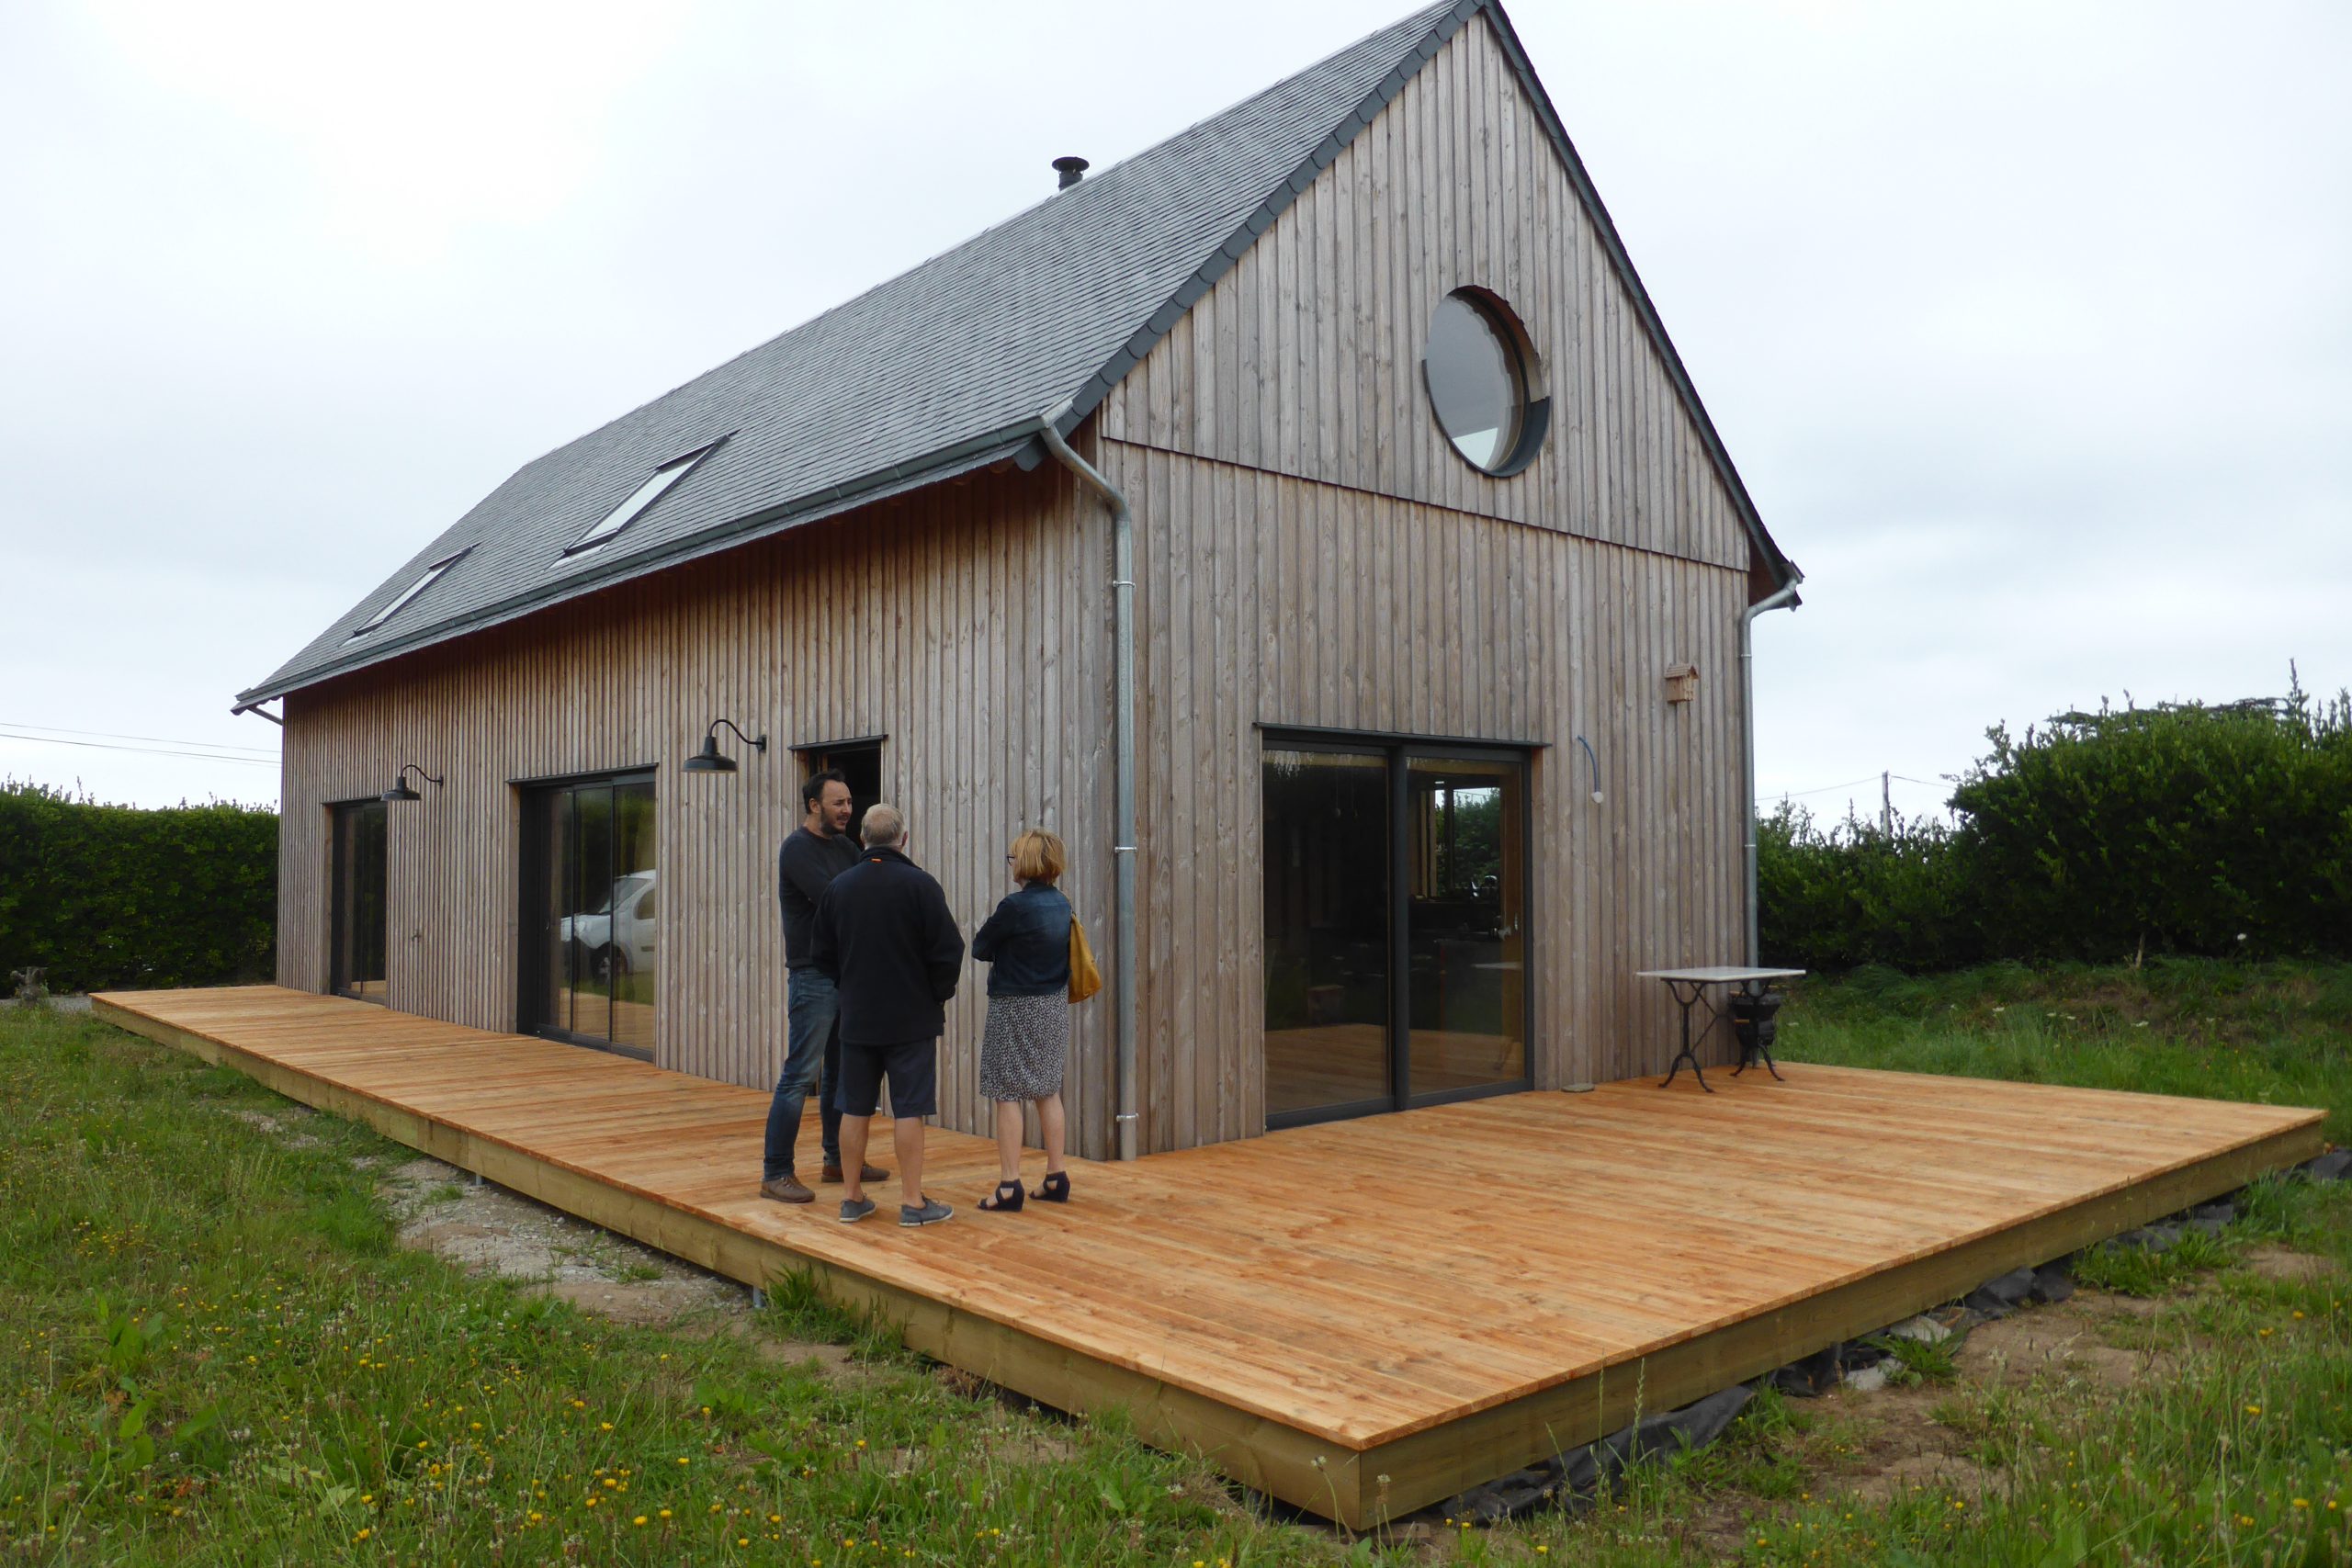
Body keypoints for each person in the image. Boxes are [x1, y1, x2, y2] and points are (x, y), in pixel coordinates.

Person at [810, 803, 963, 1227]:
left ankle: (851, 1198)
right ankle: (912, 1203)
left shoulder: (839, 888)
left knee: (854, 1106)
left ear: (862, 839)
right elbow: (950, 951)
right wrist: (936, 995)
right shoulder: (921, 886)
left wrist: (849, 985)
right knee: (909, 1109)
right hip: (912, 1018)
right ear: (904, 839)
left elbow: (820, 953)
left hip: (858, 1017)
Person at [759, 770, 888, 1204]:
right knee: (799, 1076)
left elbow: (868, 888)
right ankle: (776, 1171)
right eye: (838, 803)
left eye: (849, 802)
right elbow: (839, 897)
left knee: (839, 1073)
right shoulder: (797, 849)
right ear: (813, 805)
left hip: (844, 974)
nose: (847, 810)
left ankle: (837, 1160)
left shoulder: (848, 847)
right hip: (813, 975)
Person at [969, 829, 1074, 1212]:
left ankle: (1010, 1185)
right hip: (1052, 1004)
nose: (1011, 864)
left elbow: (981, 946)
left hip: (1013, 1005)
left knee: (1006, 1091)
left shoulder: (1014, 907)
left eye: (1014, 857)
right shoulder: (1063, 904)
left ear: (1027, 862)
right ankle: (1055, 1176)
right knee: (1048, 1088)